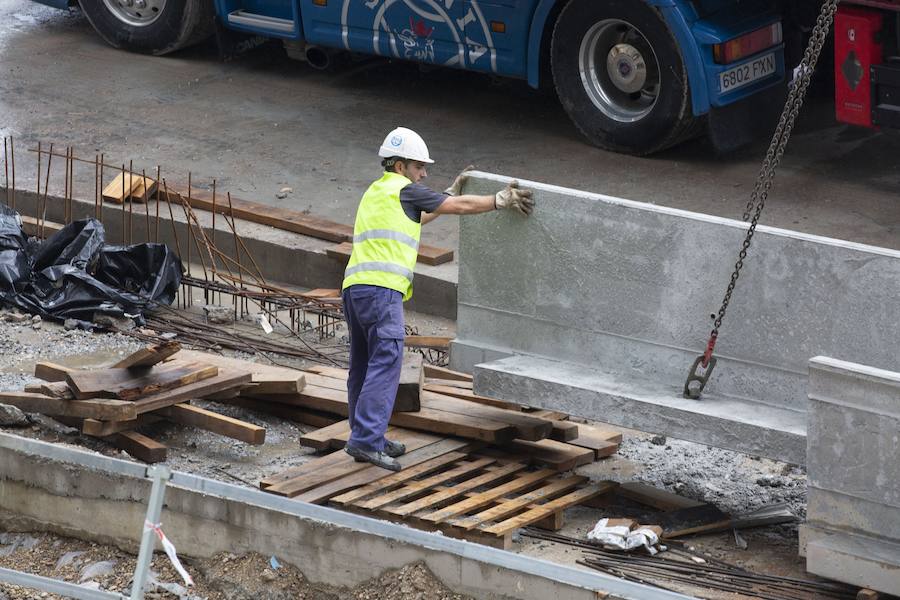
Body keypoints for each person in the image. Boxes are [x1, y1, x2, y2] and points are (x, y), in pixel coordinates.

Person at [341, 127, 534, 471]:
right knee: (386, 362)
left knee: (363, 362)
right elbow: (456, 206)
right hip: (383, 291)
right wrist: (497, 201)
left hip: (356, 288)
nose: (424, 173)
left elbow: (421, 215)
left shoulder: (377, 192)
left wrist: (443, 196)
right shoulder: (406, 189)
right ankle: (366, 441)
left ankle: (365, 433)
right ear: (400, 166)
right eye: (419, 167)